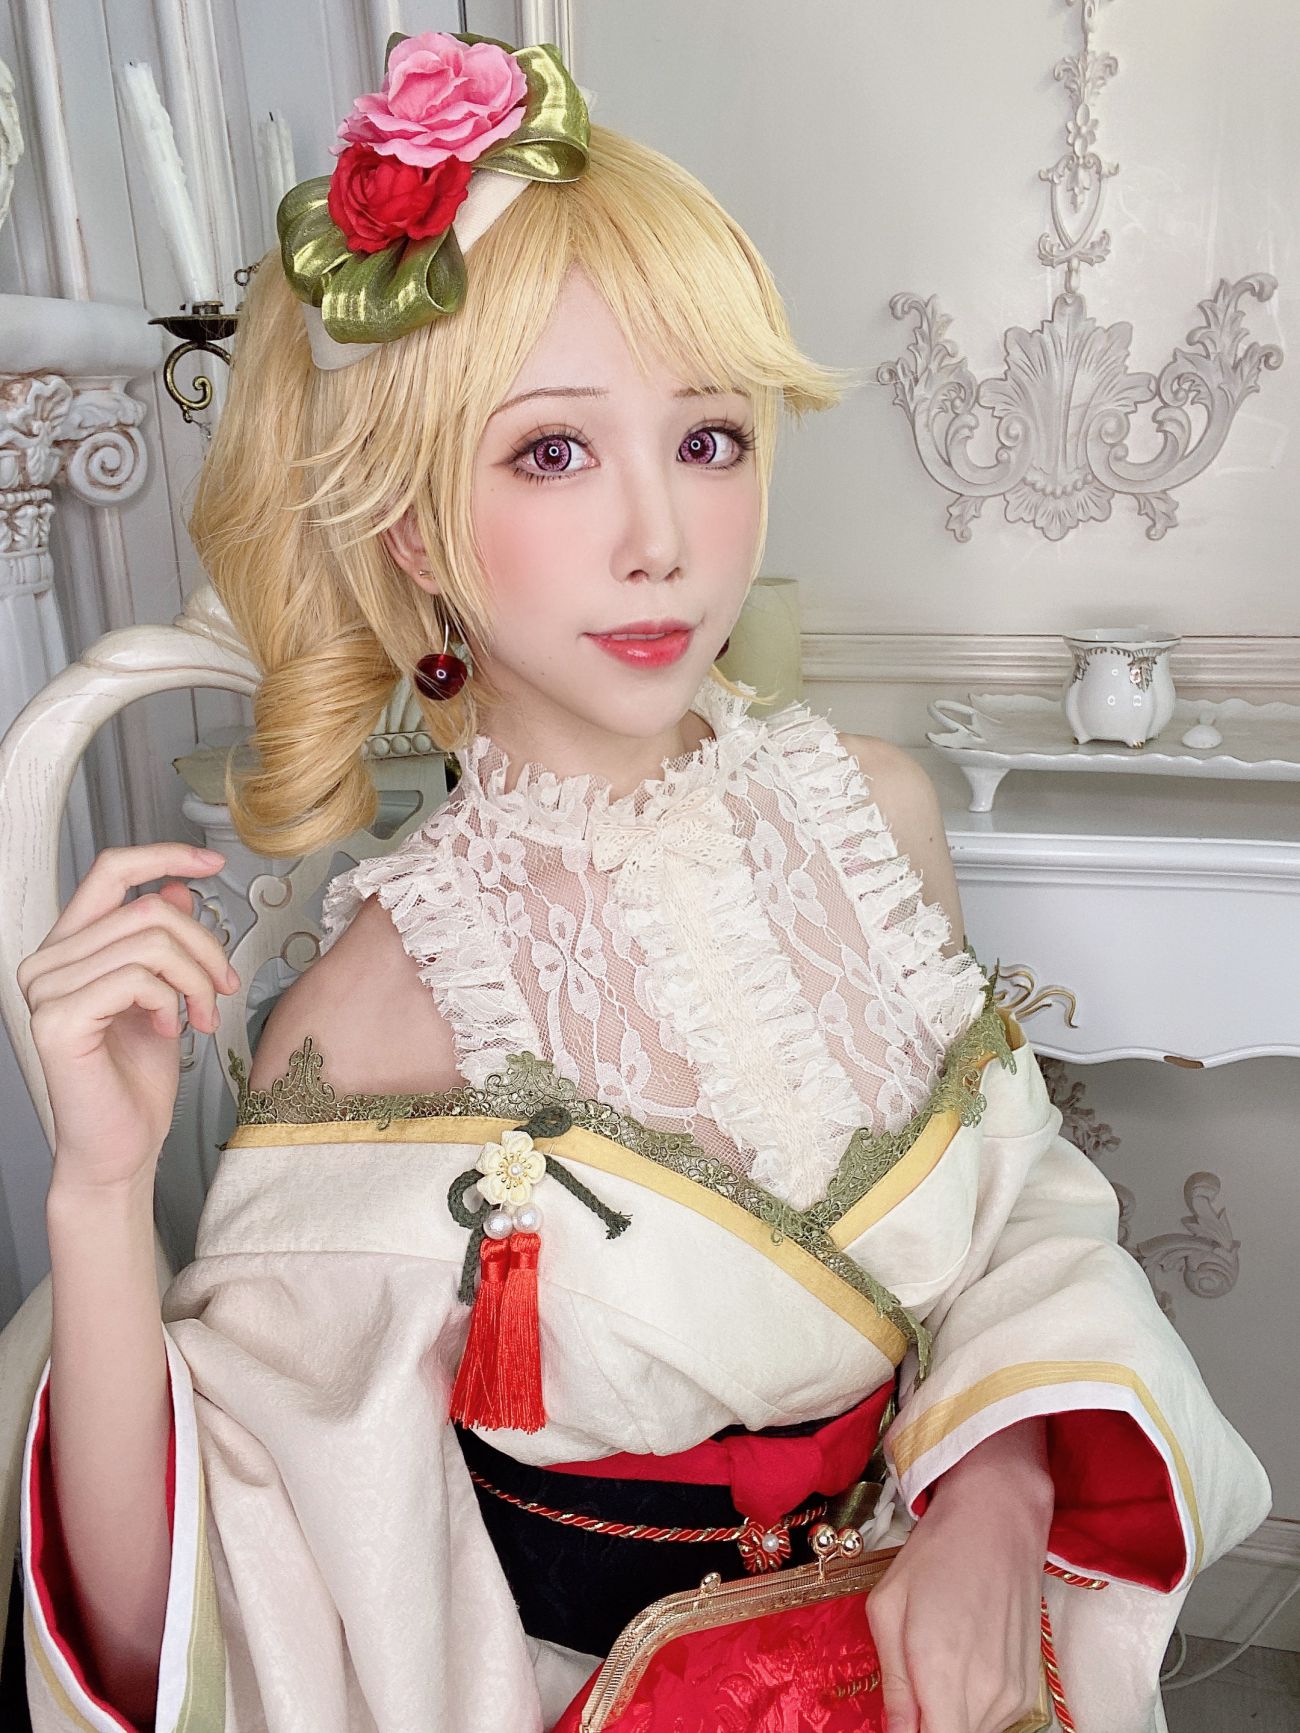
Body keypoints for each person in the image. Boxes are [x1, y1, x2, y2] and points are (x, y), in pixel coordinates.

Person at [15, 29, 1269, 1733]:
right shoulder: (375, 1017)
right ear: (412, 528)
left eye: (709, 438)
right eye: (551, 451)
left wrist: (1000, 1486)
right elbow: (204, 1612)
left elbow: (1021, 1217)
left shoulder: (872, 820)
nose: (662, 540)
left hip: (964, 1674)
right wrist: (96, 1197)